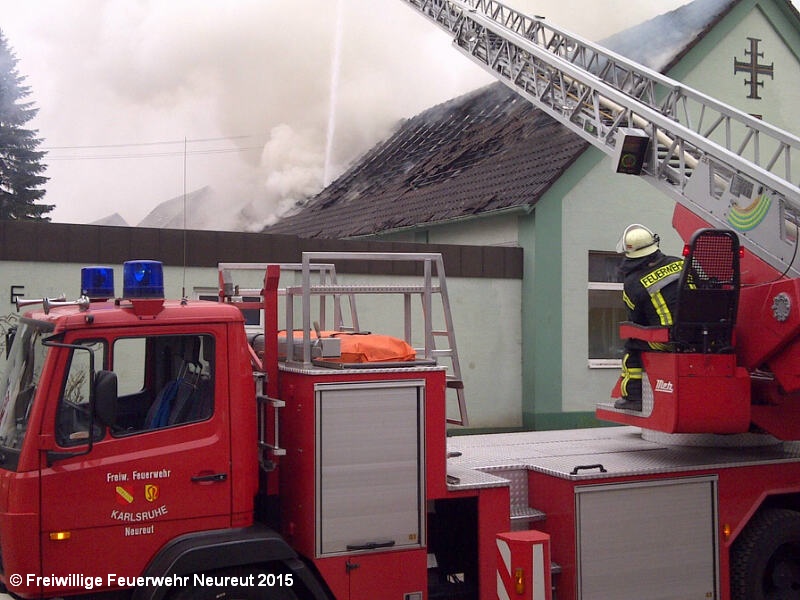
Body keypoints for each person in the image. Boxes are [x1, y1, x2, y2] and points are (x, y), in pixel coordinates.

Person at [614, 224, 683, 411]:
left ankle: (633, 397)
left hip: (668, 340)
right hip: (703, 336)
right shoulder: (679, 263)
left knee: (632, 346)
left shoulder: (632, 282)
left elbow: (635, 318)